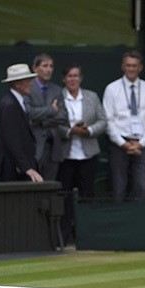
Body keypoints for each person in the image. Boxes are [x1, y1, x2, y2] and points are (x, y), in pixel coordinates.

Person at [57, 64, 108, 244]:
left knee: (87, 194)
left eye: (76, 76)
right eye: (69, 76)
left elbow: (103, 121)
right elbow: (54, 123)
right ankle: (63, 236)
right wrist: (70, 131)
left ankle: (86, 234)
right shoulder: (58, 97)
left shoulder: (92, 97)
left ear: (81, 78)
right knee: (65, 196)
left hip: (88, 154)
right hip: (66, 155)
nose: (72, 79)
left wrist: (89, 130)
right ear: (64, 79)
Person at [103, 50, 145, 202]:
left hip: (142, 144)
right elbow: (108, 120)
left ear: (140, 67)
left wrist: (140, 144)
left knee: (142, 187)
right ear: (123, 66)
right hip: (119, 144)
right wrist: (123, 144)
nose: (131, 69)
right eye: (128, 65)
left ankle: (139, 220)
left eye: (134, 66)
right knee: (118, 188)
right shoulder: (112, 89)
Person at [0, 63, 44, 183]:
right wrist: (26, 168)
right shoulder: (10, 105)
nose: (31, 84)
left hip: (19, 168)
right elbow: (12, 140)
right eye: (27, 81)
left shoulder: (15, 102)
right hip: (14, 171)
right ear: (17, 84)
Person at [24, 53, 69, 180]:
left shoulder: (57, 90)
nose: (48, 69)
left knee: (50, 187)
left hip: (53, 147)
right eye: (45, 66)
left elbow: (63, 116)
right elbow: (29, 113)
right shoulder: (27, 88)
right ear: (35, 68)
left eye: (51, 66)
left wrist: (41, 121)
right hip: (34, 147)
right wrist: (51, 110)